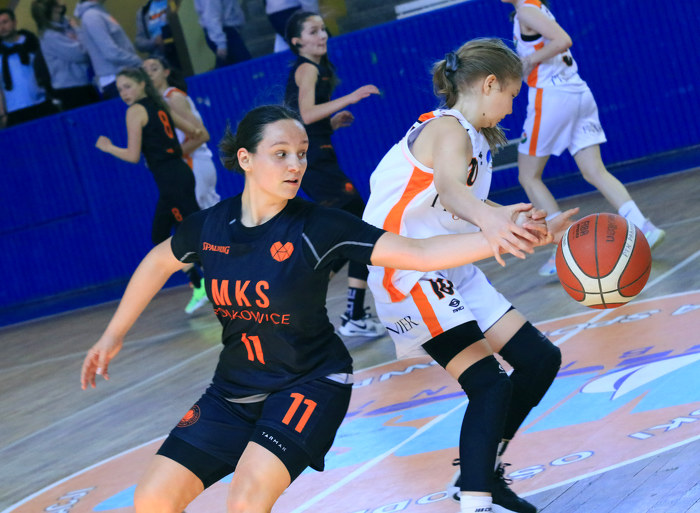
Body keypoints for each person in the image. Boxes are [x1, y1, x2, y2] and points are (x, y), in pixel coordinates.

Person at [80, 104, 556, 513]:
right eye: (281, 154)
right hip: (233, 390)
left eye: (302, 154)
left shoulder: (320, 226)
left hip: (309, 383)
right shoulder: (211, 227)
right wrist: (112, 335)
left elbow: (420, 253)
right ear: (245, 159)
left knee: (245, 501)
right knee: (152, 501)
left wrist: (499, 234)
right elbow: (158, 261)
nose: (296, 165)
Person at [362, 38, 578, 513]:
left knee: (539, 360)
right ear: (490, 84)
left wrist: (533, 227)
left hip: (448, 266)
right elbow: (451, 192)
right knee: (489, 384)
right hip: (408, 271)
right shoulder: (447, 128)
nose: (513, 106)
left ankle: (481, 472)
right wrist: (494, 223)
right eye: (513, 95)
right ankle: (477, 501)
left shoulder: (473, 137)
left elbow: (463, 207)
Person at [501, 0, 665, 277]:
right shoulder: (534, 7)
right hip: (578, 92)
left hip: (552, 96)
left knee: (528, 176)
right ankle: (643, 226)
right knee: (594, 170)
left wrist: (527, 61)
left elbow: (563, 40)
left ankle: (563, 246)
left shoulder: (526, 11)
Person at [284, 10, 383, 337]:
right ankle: (340, 310)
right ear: (297, 41)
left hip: (316, 155)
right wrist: (350, 97)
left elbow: (306, 120)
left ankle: (335, 307)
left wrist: (331, 123)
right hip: (313, 160)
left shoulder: (317, 68)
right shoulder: (307, 68)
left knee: (353, 232)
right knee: (360, 228)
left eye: (323, 29)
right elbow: (306, 114)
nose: (322, 35)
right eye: (313, 31)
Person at [94, 67, 210, 314]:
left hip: (170, 179)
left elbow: (133, 155)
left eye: (127, 86)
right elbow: (196, 132)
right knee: (161, 235)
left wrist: (108, 147)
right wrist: (171, 151)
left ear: (142, 84)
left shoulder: (135, 111)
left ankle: (221, 281)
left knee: (191, 234)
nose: (123, 93)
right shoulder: (160, 105)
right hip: (178, 173)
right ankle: (200, 283)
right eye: (120, 89)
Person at [143, 56, 221, 209]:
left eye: (154, 69)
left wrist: (167, 156)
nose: (149, 74)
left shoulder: (173, 98)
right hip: (181, 165)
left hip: (194, 161)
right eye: (144, 72)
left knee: (206, 214)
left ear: (166, 72)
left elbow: (203, 135)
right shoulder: (155, 104)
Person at [30, 0, 100, 110]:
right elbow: (81, 54)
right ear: (55, 8)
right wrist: (78, 30)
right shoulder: (50, 35)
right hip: (71, 89)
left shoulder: (65, 24)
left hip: (85, 81)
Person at [0, 8, 58, 128]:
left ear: (14, 22)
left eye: (5, 22)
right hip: (15, 109)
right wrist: (2, 113)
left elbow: (48, 70)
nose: (2, 27)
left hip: (41, 102)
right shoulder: (1, 54)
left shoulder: (32, 44)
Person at [74, 0, 142, 99]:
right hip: (116, 80)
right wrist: (138, 61)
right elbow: (111, 52)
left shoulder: (99, 13)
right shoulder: (92, 16)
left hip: (123, 76)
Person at [194, 0, 251, 69]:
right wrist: (221, 44)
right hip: (224, 32)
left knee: (238, 67)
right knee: (245, 67)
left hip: (226, 31)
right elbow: (211, 16)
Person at [135, 0, 180, 69]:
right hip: (158, 59)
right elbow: (139, 43)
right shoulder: (143, 12)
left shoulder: (174, 2)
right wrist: (155, 41)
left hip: (179, 51)